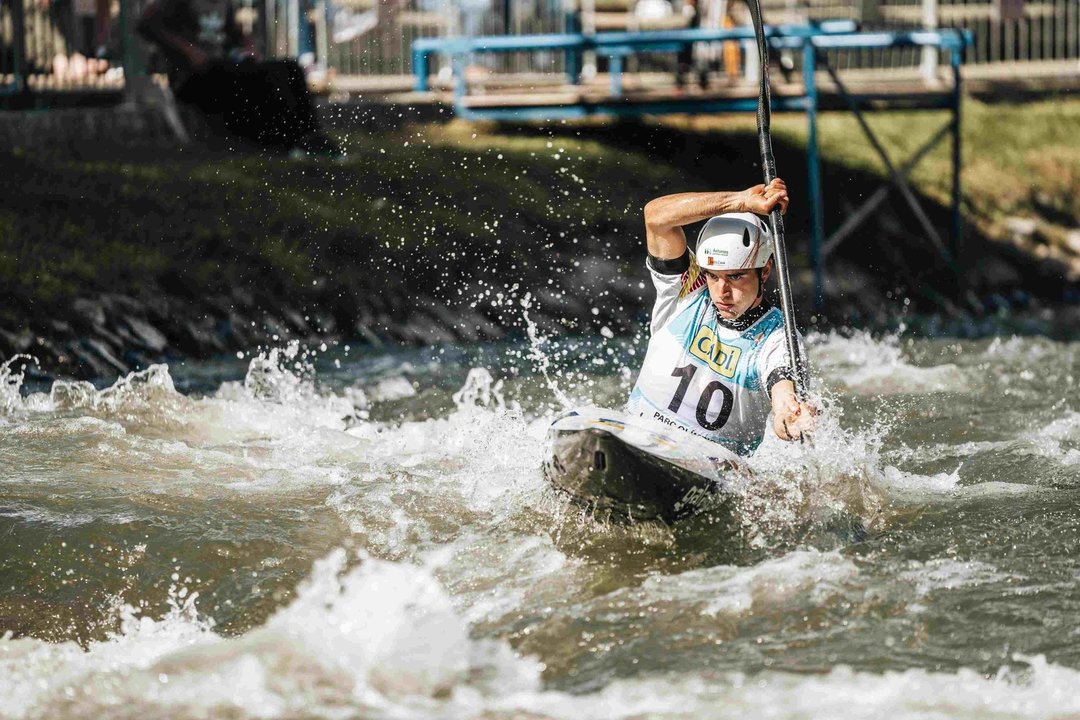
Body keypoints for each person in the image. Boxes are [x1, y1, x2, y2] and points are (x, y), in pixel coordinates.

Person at [626, 178, 816, 455]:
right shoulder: (687, 291)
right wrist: (739, 201)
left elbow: (783, 390)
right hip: (639, 438)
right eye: (713, 276)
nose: (721, 292)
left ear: (764, 272)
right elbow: (656, 217)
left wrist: (788, 416)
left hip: (708, 467)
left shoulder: (778, 339)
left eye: (736, 276)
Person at [137, 0, 343, 157]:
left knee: (290, 69)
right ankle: (284, 142)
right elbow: (146, 23)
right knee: (253, 80)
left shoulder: (225, 4)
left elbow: (236, 36)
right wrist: (188, 50)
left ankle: (310, 136)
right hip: (192, 76)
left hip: (223, 67)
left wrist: (248, 49)